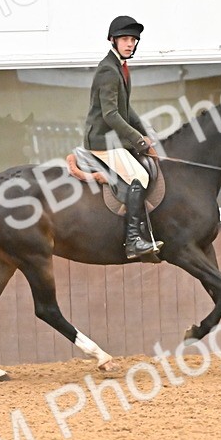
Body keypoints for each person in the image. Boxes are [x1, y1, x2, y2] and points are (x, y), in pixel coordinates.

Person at [84, 15, 163, 262]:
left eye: (133, 40)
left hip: (114, 139)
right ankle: (133, 241)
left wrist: (146, 135)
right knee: (139, 175)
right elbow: (111, 115)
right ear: (112, 40)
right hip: (102, 140)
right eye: (125, 40)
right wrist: (137, 140)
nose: (130, 44)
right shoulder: (108, 70)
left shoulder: (120, 67)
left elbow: (127, 110)